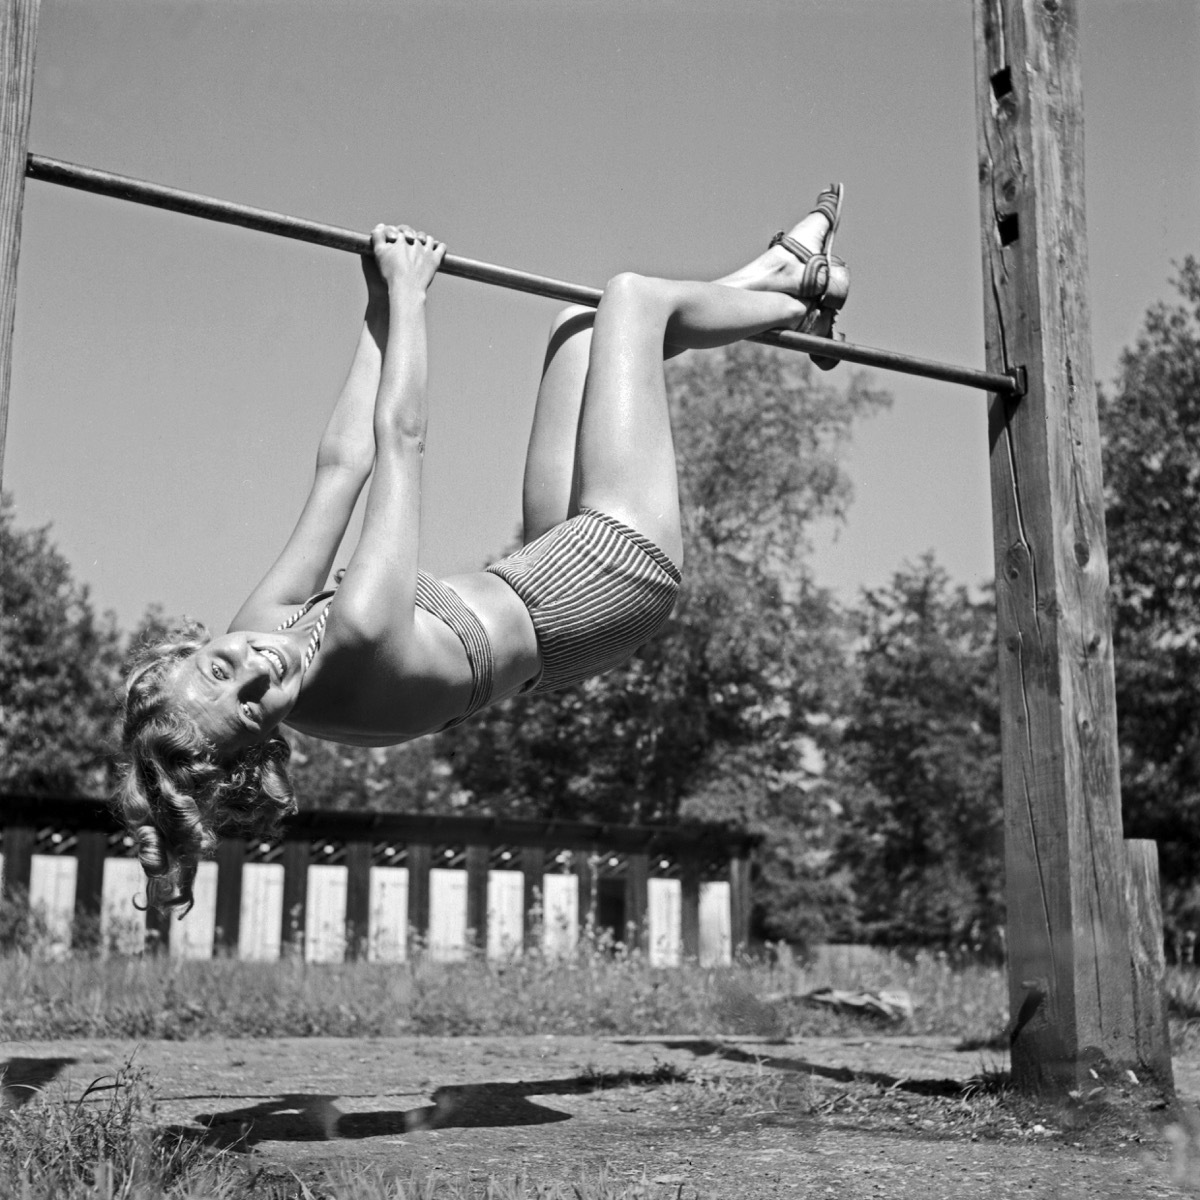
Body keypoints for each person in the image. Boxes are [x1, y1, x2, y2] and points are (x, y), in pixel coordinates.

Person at [115, 185, 849, 911]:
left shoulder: (263, 627)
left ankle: (779, 274)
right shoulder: (358, 635)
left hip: (542, 562)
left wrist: (372, 310)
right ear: (256, 749)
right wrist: (409, 295)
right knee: (635, 301)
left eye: (221, 664)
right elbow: (401, 441)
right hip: (608, 582)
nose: (256, 669)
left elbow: (342, 466)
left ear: (191, 646)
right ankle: (805, 293)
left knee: (581, 330)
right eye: (249, 708)